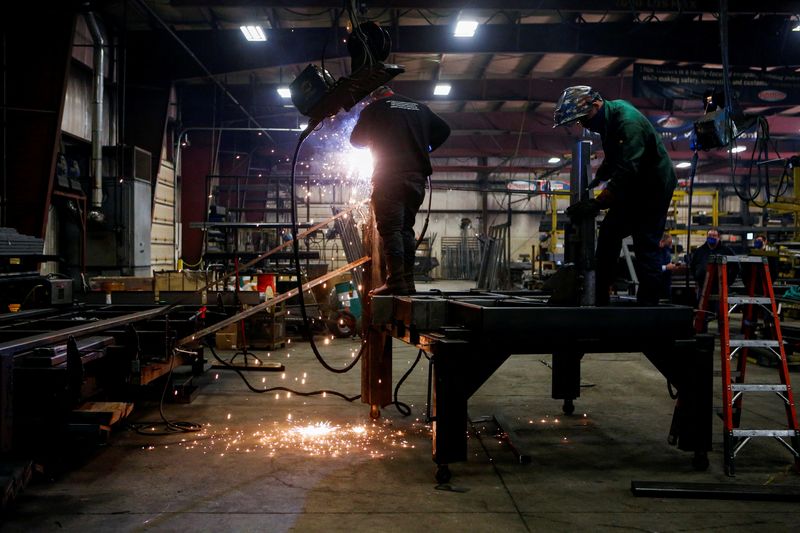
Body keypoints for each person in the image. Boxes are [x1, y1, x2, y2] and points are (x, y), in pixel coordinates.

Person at [554, 85, 677, 306]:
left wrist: (598, 203)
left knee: (645, 245)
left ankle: (648, 312)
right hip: (635, 185)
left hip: (653, 188)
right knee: (609, 234)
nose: (583, 124)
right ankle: (600, 300)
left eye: (583, 118)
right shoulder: (609, 121)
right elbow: (614, 158)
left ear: (596, 104)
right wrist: (598, 178)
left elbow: (628, 169)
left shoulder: (627, 121)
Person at [350, 86, 451, 295]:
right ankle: (407, 282)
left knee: (391, 229)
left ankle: (395, 281)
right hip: (416, 179)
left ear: (374, 95)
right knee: (406, 229)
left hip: (389, 177)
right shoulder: (420, 107)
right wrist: (425, 147)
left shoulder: (374, 108)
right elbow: (445, 130)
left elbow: (356, 140)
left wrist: (376, 136)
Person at [689, 227, 738, 300]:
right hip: (703, 286)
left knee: (719, 308)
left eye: (714, 236)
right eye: (709, 235)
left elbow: (736, 267)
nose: (711, 237)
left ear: (719, 237)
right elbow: (693, 266)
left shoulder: (726, 251)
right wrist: (697, 280)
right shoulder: (700, 251)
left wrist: (728, 282)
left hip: (720, 287)